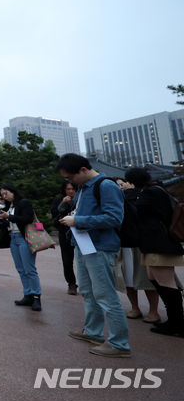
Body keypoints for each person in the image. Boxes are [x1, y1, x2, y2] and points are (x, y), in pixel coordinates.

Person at [57, 153, 130, 358]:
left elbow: (114, 218)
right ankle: (93, 332)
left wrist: (78, 220)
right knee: (88, 291)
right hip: (84, 244)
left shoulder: (106, 186)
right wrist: (75, 219)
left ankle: (119, 343)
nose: (69, 182)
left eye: (70, 177)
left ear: (82, 170)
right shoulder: (83, 188)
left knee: (105, 294)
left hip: (100, 246)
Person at [124, 167, 184, 337]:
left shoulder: (151, 192)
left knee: (166, 284)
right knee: (156, 279)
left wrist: (130, 194)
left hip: (160, 243)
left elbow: (136, 210)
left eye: (128, 181)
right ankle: (174, 321)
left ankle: (177, 323)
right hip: (154, 243)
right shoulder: (153, 190)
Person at [113, 177, 160, 323]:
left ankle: (153, 311)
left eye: (122, 184)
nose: (121, 187)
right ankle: (135, 307)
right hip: (123, 244)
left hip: (141, 245)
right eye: (117, 186)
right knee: (127, 279)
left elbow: (136, 213)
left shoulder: (139, 197)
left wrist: (130, 194)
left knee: (146, 280)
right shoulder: (115, 200)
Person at [0, 183, 42, 311]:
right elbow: (6, 221)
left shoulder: (24, 202)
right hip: (13, 238)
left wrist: (9, 216)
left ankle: (36, 297)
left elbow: (27, 219)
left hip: (24, 238)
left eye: (6, 193)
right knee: (21, 269)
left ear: (13, 191)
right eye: (2, 195)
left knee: (29, 269)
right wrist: (2, 208)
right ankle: (27, 295)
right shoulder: (8, 206)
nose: (4, 196)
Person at [51, 181, 78, 295]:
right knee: (67, 261)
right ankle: (71, 283)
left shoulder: (80, 199)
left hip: (80, 233)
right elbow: (55, 213)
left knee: (84, 260)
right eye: (68, 189)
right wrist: (63, 203)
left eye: (72, 189)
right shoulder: (59, 200)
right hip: (65, 233)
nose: (70, 191)